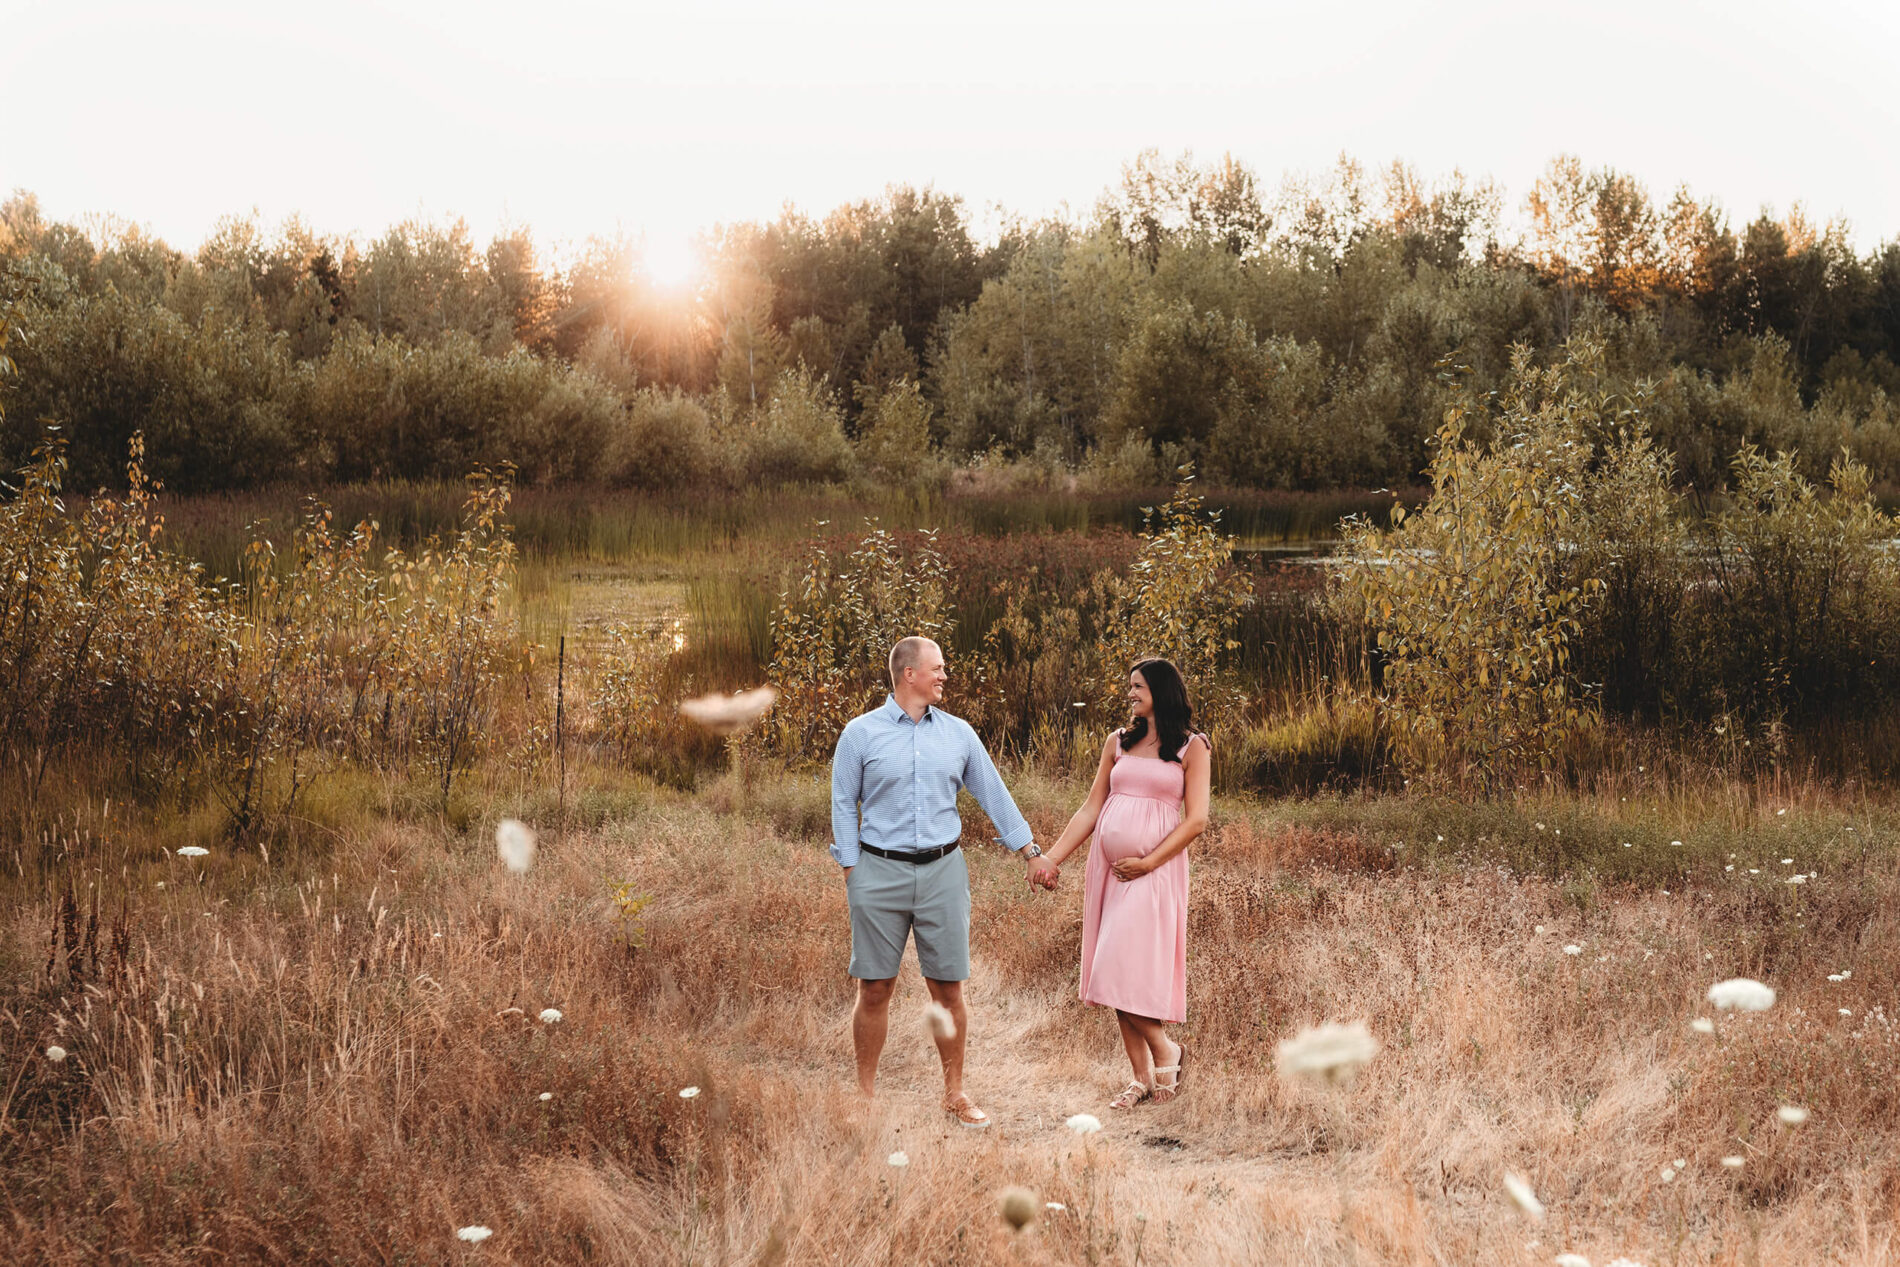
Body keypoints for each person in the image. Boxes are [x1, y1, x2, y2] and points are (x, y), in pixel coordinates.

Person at [832, 635, 1059, 1127]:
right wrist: (853, 871)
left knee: (948, 989)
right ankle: (864, 1096)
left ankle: (954, 1094)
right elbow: (843, 802)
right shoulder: (860, 734)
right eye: (936, 668)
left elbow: (993, 793)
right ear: (908, 674)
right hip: (878, 872)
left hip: (943, 873)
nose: (944, 675)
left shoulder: (959, 734)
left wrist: (1031, 853)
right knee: (875, 987)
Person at [1039, 658, 1209, 1108]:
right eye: (1130, 686)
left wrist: (1148, 862)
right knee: (1115, 970)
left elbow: (1196, 820)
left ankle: (1166, 1051)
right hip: (1110, 871)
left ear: (1161, 690)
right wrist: (1052, 857)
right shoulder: (1118, 741)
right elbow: (1090, 809)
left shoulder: (1192, 747)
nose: (1130, 693)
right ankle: (1140, 1078)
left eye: (1138, 687)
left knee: (1119, 965)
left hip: (1155, 871)